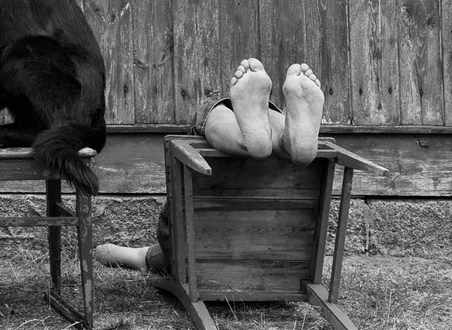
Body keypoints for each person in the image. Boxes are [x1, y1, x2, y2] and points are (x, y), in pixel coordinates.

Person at [93, 58, 325, 273]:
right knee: (271, 131)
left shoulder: (172, 253)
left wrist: (105, 252)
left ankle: (247, 138)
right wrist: (121, 254)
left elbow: (142, 256)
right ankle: (284, 140)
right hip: (279, 246)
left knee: (209, 119)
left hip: (191, 245)